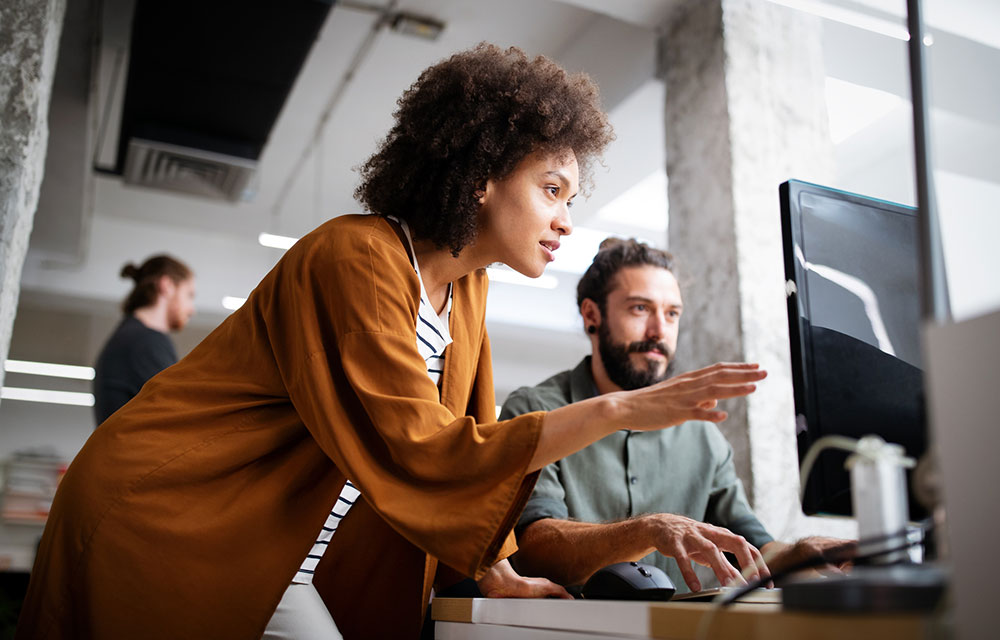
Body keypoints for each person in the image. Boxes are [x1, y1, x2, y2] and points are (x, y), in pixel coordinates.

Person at [16, 45, 767, 640]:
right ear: (482, 176)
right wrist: (619, 411)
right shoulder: (356, 258)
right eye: (552, 189)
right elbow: (423, 450)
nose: (566, 219)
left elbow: (467, 446)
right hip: (172, 515)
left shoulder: (466, 289)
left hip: (277, 553)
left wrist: (499, 575)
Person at [502, 238, 843, 594]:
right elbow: (533, 549)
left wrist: (803, 554)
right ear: (592, 315)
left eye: (672, 314)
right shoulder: (535, 410)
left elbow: (753, 550)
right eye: (639, 309)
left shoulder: (702, 432)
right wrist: (647, 530)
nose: (659, 332)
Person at [92, 255, 196, 425]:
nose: (192, 310)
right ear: (167, 285)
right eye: (189, 295)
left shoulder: (132, 336)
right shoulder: (145, 341)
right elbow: (179, 414)